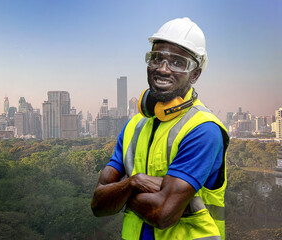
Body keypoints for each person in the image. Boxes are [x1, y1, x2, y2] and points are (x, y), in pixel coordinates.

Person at [91, 17, 229, 240]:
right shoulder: (133, 127)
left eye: (177, 62)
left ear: (195, 74)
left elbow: (163, 213)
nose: (163, 69)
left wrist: (121, 191)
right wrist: (134, 182)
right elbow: (98, 204)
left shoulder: (203, 131)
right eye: (157, 58)